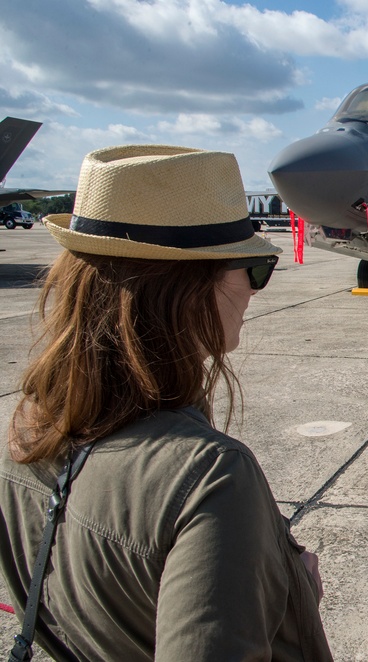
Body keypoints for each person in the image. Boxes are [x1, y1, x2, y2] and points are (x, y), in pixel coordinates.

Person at [0, 145, 333, 661]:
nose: (254, 289)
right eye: (252, 266)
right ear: (188, 289)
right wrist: (296, 599)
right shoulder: (209, 477)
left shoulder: (26, 438)